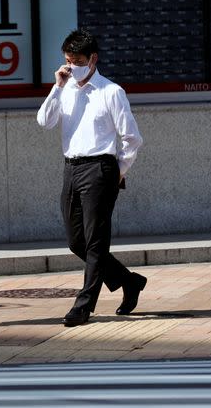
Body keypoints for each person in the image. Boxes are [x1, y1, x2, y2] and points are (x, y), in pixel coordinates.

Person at [37, 29, 145, 327]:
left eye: (77, 61)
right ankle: (129, 281)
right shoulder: (66, 88)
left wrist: (116, 173)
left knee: (96, 243)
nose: (71, 66)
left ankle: (83, 307)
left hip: (100, 168)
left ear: (93, 59)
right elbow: (44, 122)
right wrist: (57, 87)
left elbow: (132, 139)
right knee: (76, 242)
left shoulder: (112, 92)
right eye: (67, 61)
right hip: (71, 168)